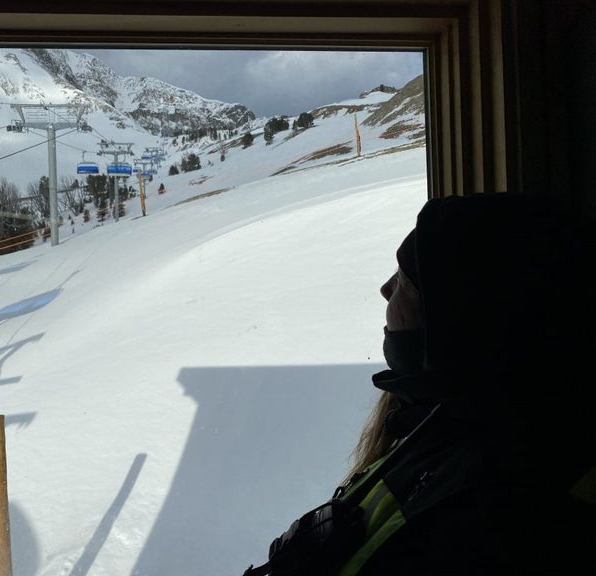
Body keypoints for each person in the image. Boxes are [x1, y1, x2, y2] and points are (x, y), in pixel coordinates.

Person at [245, 194, 595, 576]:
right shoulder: (442, 419)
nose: (384, 288)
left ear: (455, 320)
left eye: (406, 282)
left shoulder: (497, 516)